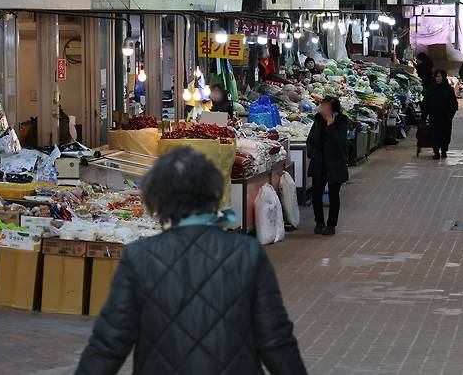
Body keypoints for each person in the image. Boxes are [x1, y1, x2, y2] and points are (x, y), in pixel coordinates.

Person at [76, 148, 307, 375]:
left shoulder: (139, 258)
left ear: (157, 199)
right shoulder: (248, 254)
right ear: (213, 194)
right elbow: (276, 339)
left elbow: (109, 343)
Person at [307, 97, 349, 236]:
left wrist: (331, 126)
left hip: (335, 163)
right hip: (319, 162)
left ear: (333, 109)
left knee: (333, 195)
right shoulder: (318, 120)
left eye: (325, 106)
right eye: (322, 106)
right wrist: (312, 153)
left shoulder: (342, 121)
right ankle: (319, 222)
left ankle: (331, 225)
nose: (322, 109)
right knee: (316, 194)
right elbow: (310, 139)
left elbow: (339, 142)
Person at [422, 69, 458, 160]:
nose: (438, 78)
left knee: (445, 134)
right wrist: (424, 117)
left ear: (443, 77)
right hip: (434, 116)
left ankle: (444, 150)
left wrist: (450, 115)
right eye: (436, 77)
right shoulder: (431, 89)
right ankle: (436, 151)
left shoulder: (449, 89)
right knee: (434, 134)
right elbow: (426, 104)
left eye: (439, 76)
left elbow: (454, 103)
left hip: (446, 117)